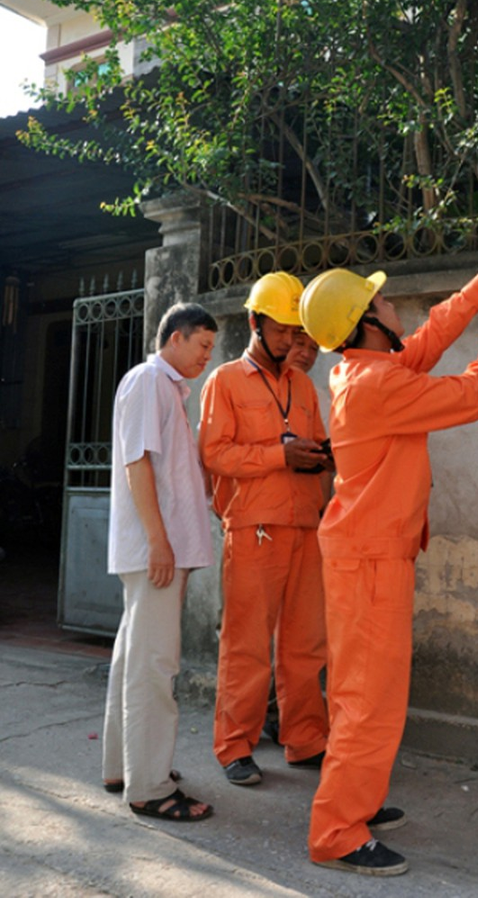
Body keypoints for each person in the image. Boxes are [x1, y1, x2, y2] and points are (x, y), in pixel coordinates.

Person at [298, 237, 478, 876]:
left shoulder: (369, 371)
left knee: (366, 694)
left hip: (370, 554)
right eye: (383, 300)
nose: (395, 306)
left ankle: (356, 804)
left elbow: (427, 339)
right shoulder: (374, 385)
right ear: (368, 323)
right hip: (370, 559)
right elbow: (469, 397)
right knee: (367, 699)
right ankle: (337, 831)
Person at [199, 271, 331, 787]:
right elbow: (215, 454)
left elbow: (316, 442)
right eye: (281, 330)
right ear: (255, 323)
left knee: (306, 644)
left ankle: (305, 741)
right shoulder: (225, 381)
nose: (291, 340)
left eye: (296, 332)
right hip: (253, 527)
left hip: (305, 524)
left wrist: (323, 457)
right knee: (247, 644)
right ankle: (235, 746)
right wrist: (280, 455)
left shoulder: (302, 384)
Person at [102, 302, 218, 822]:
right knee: (155, 665)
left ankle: (122, 766)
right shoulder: (150, 380)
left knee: (135, 658)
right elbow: (137, 460)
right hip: (157, 550)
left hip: (160, 547)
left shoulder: (165, 387)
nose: (207, 358)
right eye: (202, 346)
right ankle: (148, 786)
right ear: (174, 337)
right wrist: (159, 540)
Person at [263, 326, 331, 746]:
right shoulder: (246, 386)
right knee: (255, 634)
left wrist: (322, 515)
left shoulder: (307, 393)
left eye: (312, 345)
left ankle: (290, 723)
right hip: (261, 527)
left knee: (302, 635)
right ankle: (251, 721)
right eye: (298, 343)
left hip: (307, 524)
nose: (305, 352)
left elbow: (321, 457)